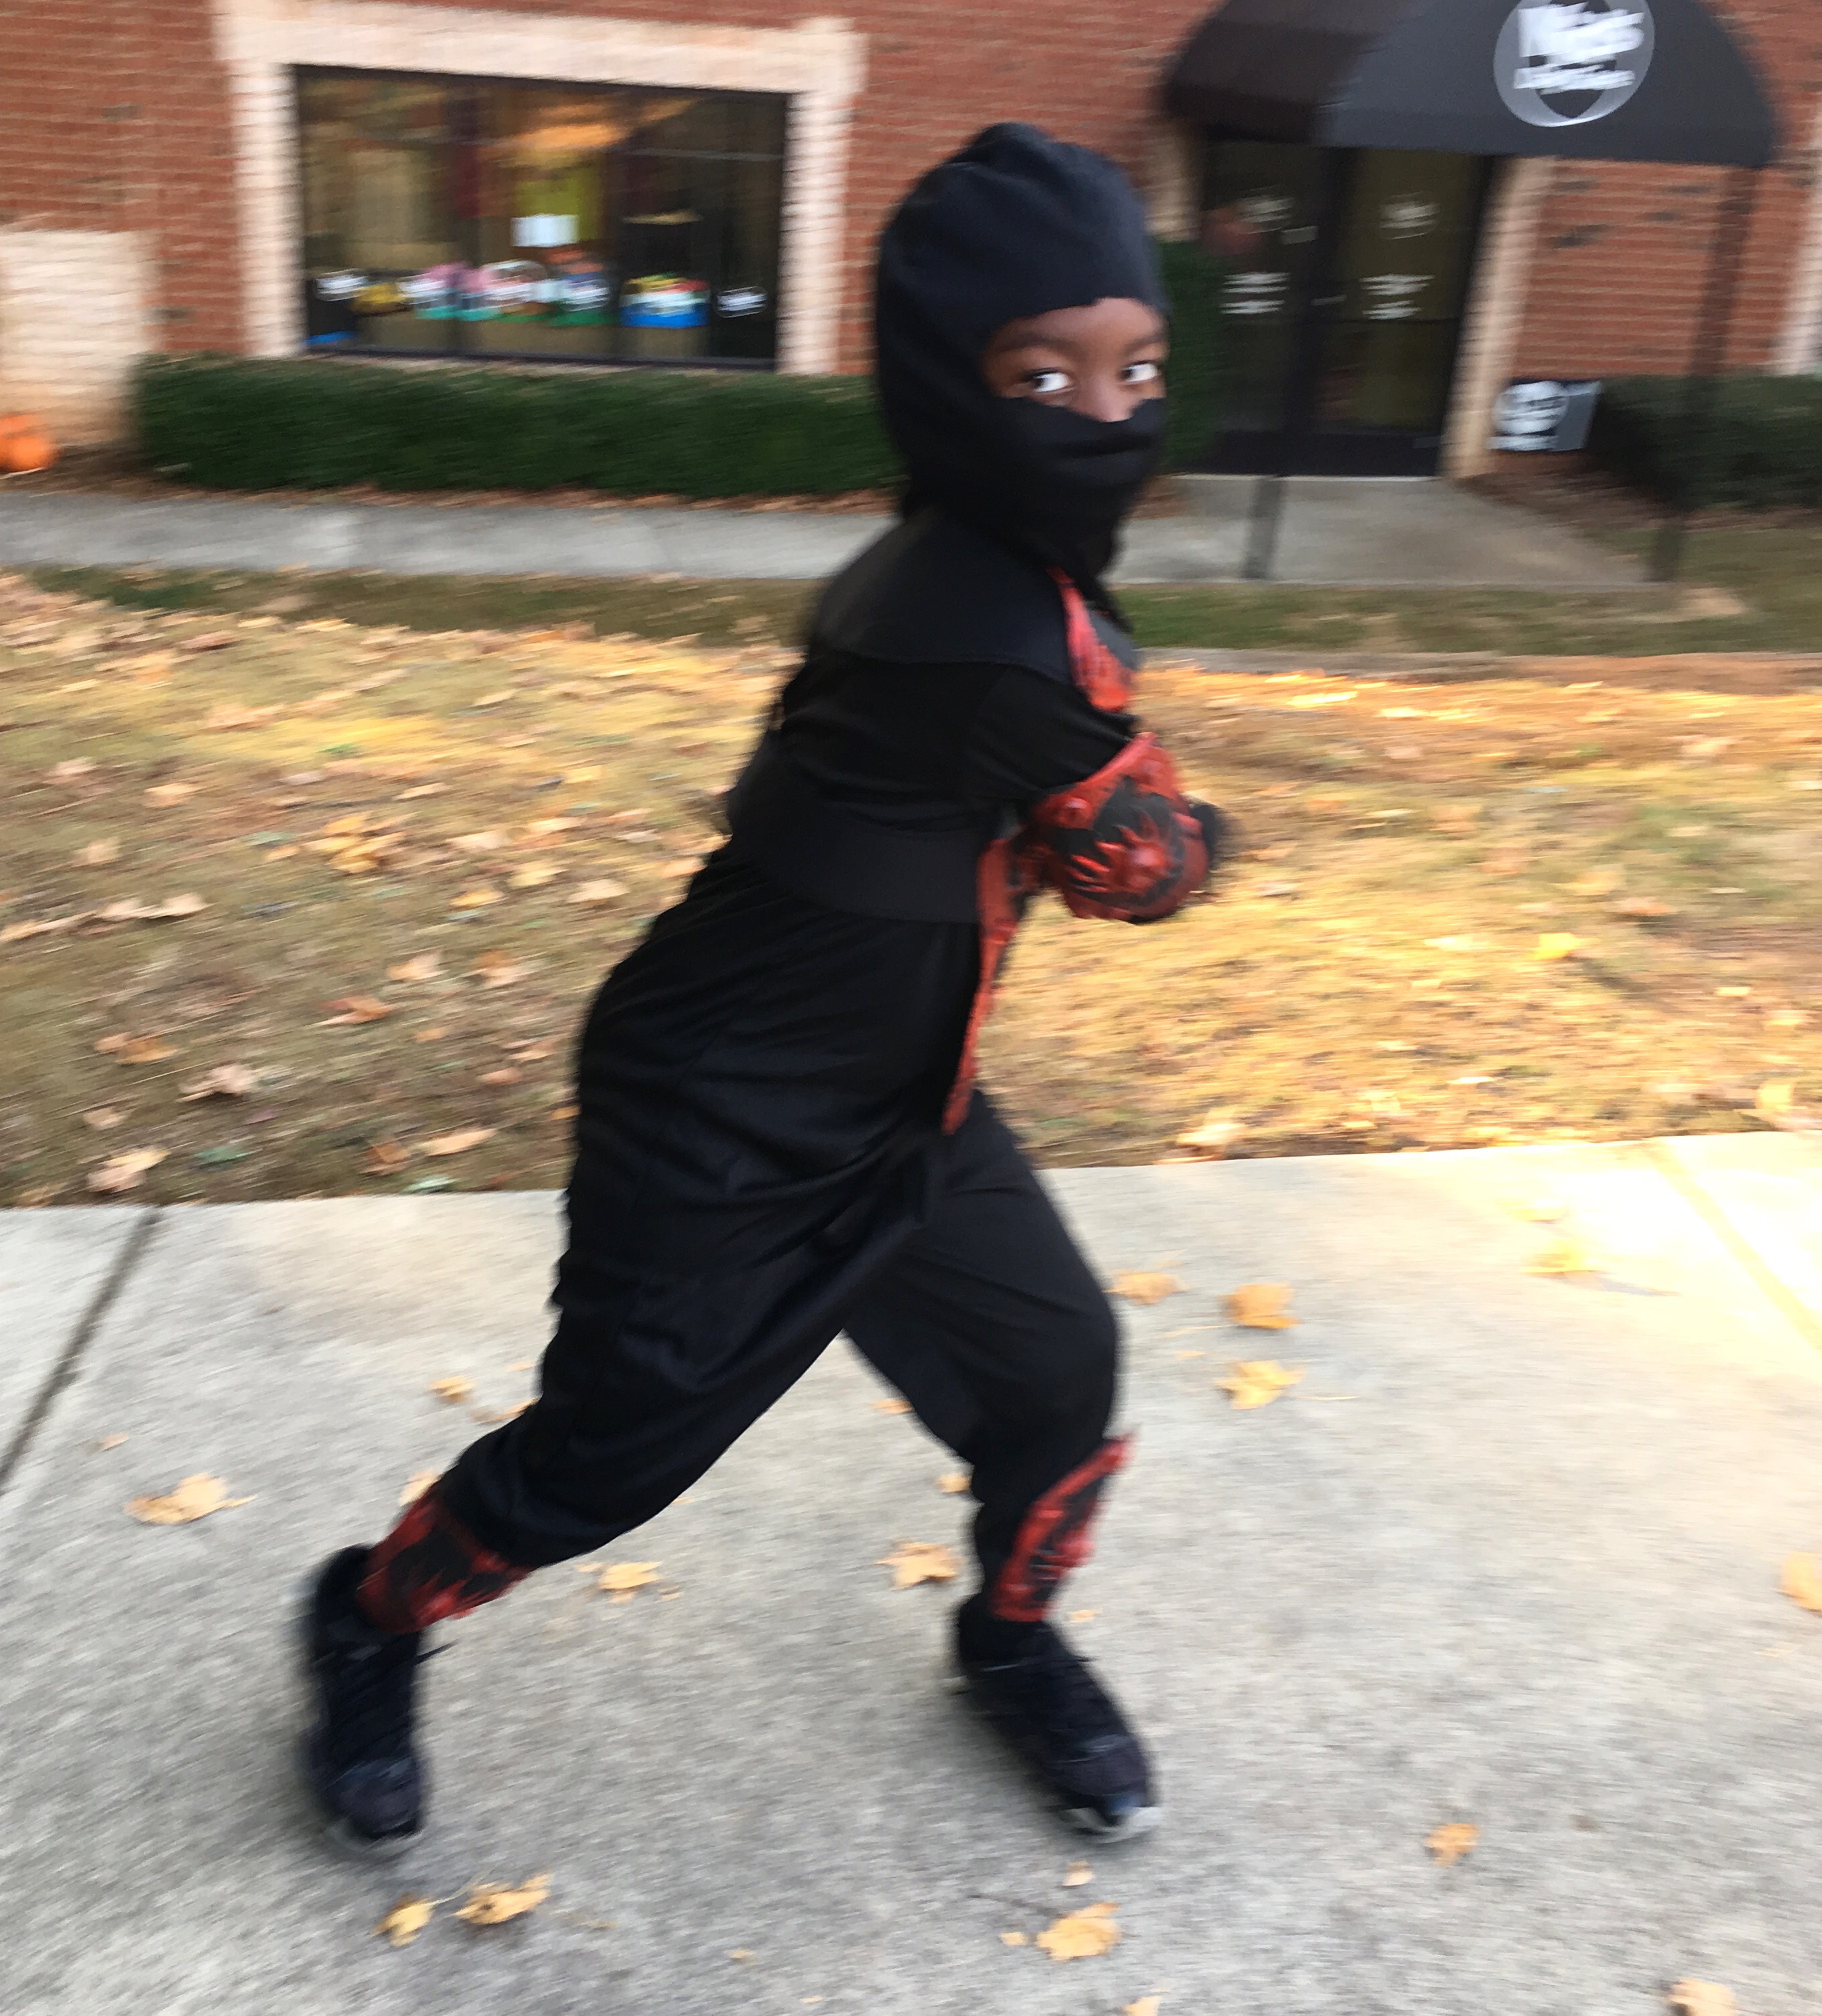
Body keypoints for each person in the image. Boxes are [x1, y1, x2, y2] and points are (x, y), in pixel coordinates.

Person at [298, 122, 1224, 1861]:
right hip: (720, 1113)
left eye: (1140, 368)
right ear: (947, 386)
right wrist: (1196, 825)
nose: (1106, 415)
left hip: (900, 1099)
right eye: (1045, 374)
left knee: (1057, 1369)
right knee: (601, 1463)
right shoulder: (1010, 633)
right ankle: (363, 1615)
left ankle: (1007, 1641)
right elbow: (1147, 868)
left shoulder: (943, 565)